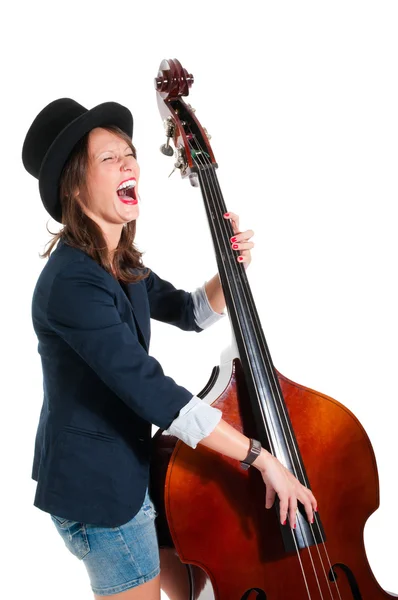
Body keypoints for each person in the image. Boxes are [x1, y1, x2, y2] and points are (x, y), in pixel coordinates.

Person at [22, 98, 317, 600]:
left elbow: (187, 311)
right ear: (75, 184)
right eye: (109, 158)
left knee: (197, 589)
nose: (128, 164)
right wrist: (259, 457)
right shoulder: (72, 282)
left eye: (129, 153)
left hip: (131, 471)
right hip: (101, 493)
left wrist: (229, 270)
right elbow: (151, 391)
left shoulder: (117, 260)